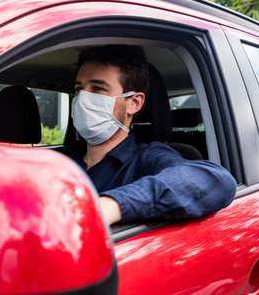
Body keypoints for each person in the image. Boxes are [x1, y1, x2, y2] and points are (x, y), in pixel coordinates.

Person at [62, 45, 237, 225]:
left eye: (98, 89)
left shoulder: (148, 158)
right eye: (78, 89)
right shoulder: (60, 161)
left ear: (134, 103)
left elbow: (217, 180)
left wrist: (111, 205)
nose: (82, 99)